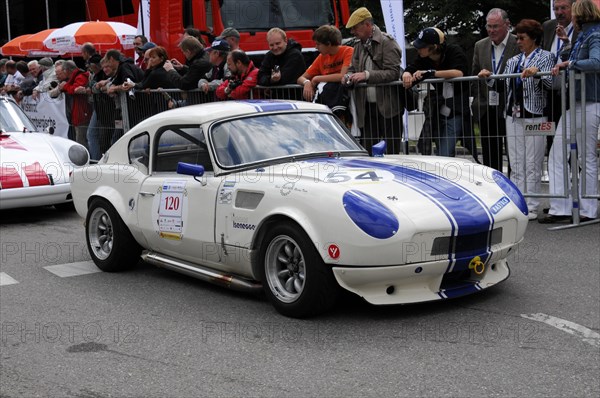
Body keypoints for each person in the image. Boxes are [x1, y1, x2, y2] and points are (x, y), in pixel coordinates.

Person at [542, 0, 600, 223]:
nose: (570, 18)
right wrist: (568, 48)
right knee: (558, 153)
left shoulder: (594, 34)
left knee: (586, 157)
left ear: (580, 16)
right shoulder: (584, 34)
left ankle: (589, 208)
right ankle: (561, 206)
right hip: (575, 102)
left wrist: (570, 62)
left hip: (589, 101)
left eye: (573, 14)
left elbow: (596, 61)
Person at [503, 19, 555, 221]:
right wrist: (488, 76)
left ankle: (532, 204)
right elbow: (502, 82)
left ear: (533, 38)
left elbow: (551, 83)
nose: (518, 42)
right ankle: (518, 202)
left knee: (533, 162)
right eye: (517, 38)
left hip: (536, 114)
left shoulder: (546, 57)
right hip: (513, 115)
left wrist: (537, 75)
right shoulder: (512, 61)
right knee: (516, 162)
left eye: (522, 38)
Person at [402, 27, 470, 157]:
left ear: (434, 47)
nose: (418, 49)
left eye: (422, 46)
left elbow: (459, 72)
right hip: (437, 110)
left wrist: (431, 73)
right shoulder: (424, 57)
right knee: (440, 152)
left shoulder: (454, 51)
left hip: (456, 109)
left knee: (445, 153)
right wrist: (406, 73)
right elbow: (412, 67)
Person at [344, 7, 403, 154]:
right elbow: (352, 68)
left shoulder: (387, 42)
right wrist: (348, 77)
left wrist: (367, 75)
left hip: (389, 107)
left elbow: (393, 73)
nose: (353, 32)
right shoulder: (358, 45)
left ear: (367, 25)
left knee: (392, 152)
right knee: (369, 151)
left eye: (355, 28)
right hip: (366, 108)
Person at [472, 8, 519, 171]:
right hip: (487, 108)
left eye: (495, 26)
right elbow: (474, 77)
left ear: (507, 25)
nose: (491, 30)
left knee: (515, 154)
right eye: (489, 26)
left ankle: (514, 188)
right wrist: (478, 101)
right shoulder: (480, 45)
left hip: (512, 107)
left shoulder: (518, 42)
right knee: (490, 156)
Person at [542, 0, 579, 150]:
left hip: (573, 91)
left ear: (573, 9)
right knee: (553, 139)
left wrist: (566, 42)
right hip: (550, 92)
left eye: (563, 8)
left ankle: (574, 172)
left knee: (572, 137)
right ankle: (556, 172)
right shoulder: (548, 27)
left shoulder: (580, 27)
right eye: (556, 9)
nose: (559, 12)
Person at [297, 25, 353, 118]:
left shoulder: (348, 51)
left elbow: (342, 76)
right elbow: (301, 78)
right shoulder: (321, 57)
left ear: (328, 44)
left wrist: (316, 78)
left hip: (346, 102)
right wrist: (306, 82)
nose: (316, 47)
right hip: (328, 103)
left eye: (318, 44)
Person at [49, 60, 92, 147]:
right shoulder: (69, 79)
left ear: (66, 70)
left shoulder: (80, 76)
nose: (57, 76)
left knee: (82, 139)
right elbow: (51, 94)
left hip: (81, 113)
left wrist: (65, 86)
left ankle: (84, 159)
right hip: (74, 114)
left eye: (60, 73)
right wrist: (61, 88)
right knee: (78, 138)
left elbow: (75, 89)